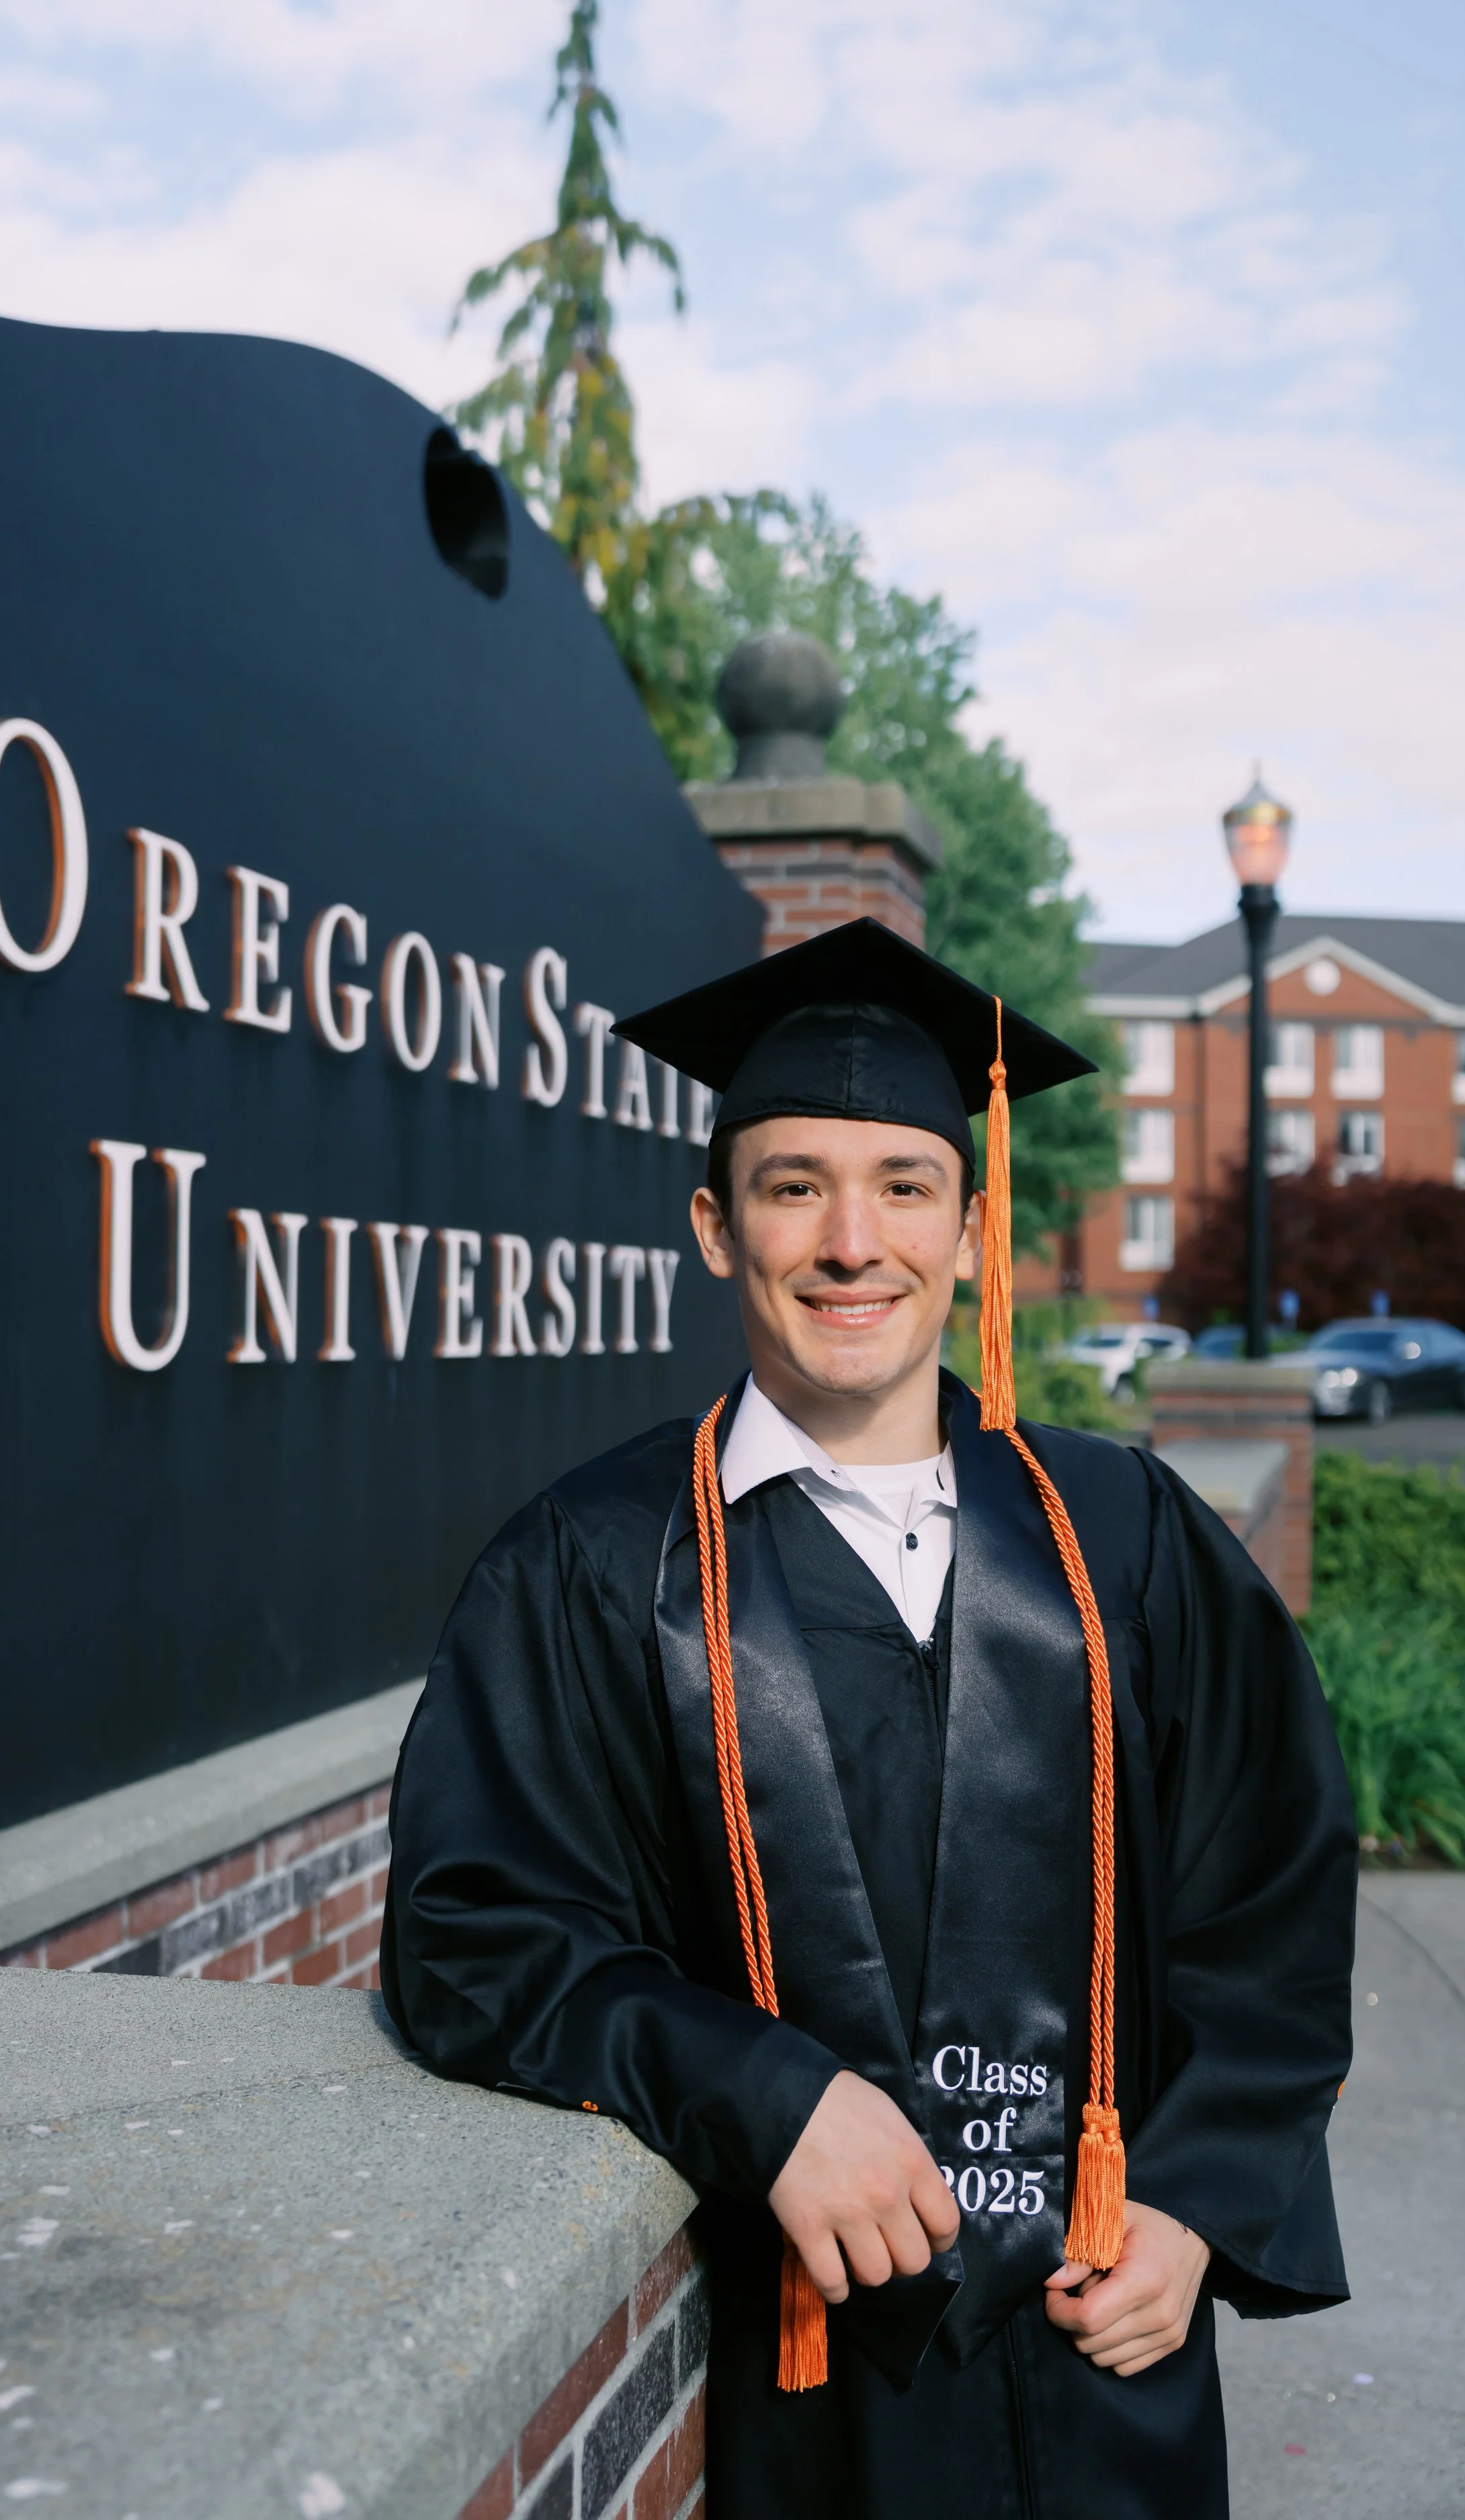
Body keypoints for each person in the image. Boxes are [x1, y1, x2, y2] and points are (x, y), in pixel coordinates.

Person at [382, 918, 1357, 2519]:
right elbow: (475, 1931)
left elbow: (1268, 1899)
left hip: (1111, 2370)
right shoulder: (597, 1563)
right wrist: (761, 2091)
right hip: (804, 2399)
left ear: (968, 1229)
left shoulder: (1122, 1536)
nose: (852, 1240)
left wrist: (1192, 2203)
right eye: (794, 1186)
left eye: (903, 1185)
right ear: (716, 1226)